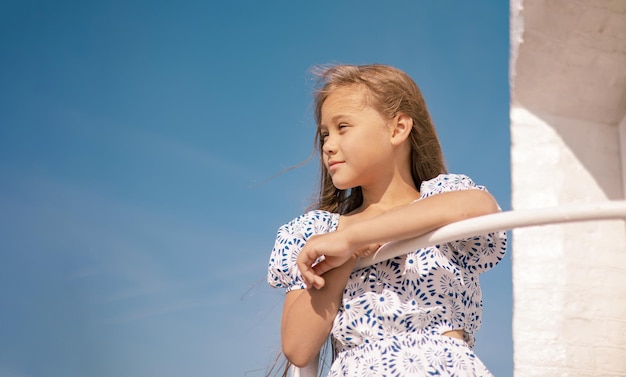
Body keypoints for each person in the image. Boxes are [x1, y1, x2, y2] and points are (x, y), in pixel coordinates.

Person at [267, 64, 507, 377]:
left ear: (397, 129)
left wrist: (353, 237)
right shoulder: (316, 235)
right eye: (325, 133)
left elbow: (480, 206)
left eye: (343, 127)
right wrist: (343, 260)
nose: (327, 144)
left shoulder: (445, 198)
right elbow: (298, 348)